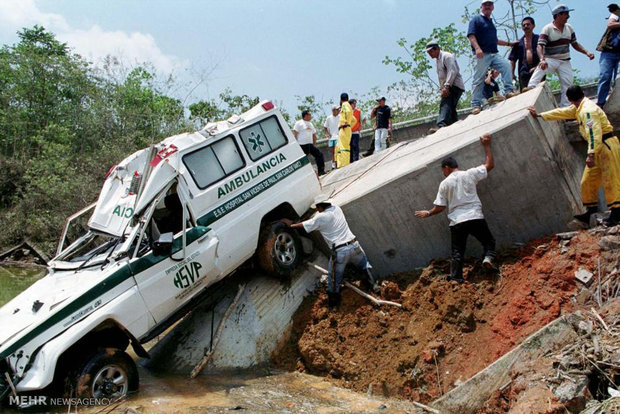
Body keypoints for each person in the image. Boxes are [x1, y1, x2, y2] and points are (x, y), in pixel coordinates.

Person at [528, 85, 620, 227]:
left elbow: (593, 134)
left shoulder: (587, 110)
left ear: (569, 99)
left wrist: (590, 154)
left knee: (611, 180)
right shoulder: (579, 107)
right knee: (587, 181)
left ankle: (616, 214)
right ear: (582, 94)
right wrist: (541, 115)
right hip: (597, 147)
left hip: (604, 146)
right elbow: (563, 112)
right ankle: (591, 211)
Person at [414, 134, 497, 283]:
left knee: (457, 252)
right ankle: (488, 258)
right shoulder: (469, 174)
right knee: (488, 242)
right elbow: (489, 165)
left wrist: (428, 213)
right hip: (475, 216)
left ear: (446, 168)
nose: (443, 173)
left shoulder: (445, 184)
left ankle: (456, 279)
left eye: (442, 170)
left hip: (457, 222)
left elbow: (440, 207)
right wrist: (487, 146)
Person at [283, 194, 379, 307]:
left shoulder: (320, 218)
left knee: (333, 280)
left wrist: (291, 225)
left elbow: (305, 225)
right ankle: (375, 289)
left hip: (341, 252)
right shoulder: (337, 209)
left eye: (317, 209)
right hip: (355, 246)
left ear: (319, 207)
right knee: (365, 267)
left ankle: (333, 304)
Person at [527, 4, 595, 107]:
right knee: (542, 67)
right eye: (566, 14)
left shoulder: (569, 28)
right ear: (558, 15)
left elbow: (575, 44)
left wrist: (586, 52)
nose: (568, 16)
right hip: (551, 59)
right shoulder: (548, 28)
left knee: (567, 85)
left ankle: (565, 108)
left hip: (565, 61)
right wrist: (542, 59)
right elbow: (540, 46)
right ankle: (531, 88)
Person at [468, 0, 518, 115]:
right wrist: (477, 48)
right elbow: (471, 35)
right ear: (481, 7)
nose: (487, 7)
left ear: (493, 7)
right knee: (478, 79)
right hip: (482, 54)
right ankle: (476, 104)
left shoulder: (490, 22)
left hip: (493, 54)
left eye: (490, 5)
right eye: (485, 5)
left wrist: (509, 44)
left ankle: (509, 91)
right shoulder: (476, 20)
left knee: (506, 66)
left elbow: (495, 40)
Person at [426, 41, 465, 132]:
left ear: (436, 49)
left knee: (445, 103)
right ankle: (454, 125)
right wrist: (443, 88)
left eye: (431, 52)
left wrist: (447, 86)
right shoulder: (437, 60)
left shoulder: (446, 56)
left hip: (454, 85)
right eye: (428, 53)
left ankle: (441, 124)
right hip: (448, 85)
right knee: (451, 107)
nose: (430, 54)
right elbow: (441, 76)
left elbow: (452, 71)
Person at [596, 3, 620, 108]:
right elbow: (610, 24)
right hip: (609, 51)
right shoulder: (616, 15)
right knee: (605, 76)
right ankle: (600, 103)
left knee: (618, 79)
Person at [509, 17, 542, 91]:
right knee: (525, 92)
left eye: (528, 24)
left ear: (533, 26)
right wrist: (512, 73)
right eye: (524, 25)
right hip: (524, 71)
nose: (526, 26)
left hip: (538, 69)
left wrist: (537, 67)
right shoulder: (518, 43)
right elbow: (512, 59)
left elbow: (545, 54)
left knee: (539, 91)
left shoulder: (539, 39)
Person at [293, 109, 325, 175]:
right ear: (305, 115)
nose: (310, 116)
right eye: (309, 114)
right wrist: (296, 145)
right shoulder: (299, 123)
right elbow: (295, 133)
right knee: (303, 160)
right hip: (302, 145)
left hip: (310, 145)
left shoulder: (310, 124)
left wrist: (314, 142)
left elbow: (314, 134)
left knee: (319, 155)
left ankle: (321, 171)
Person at [336, 93, 356, 169]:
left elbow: (347, 112)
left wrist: (345, 123)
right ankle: (342, 163)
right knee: (342, 146)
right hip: (347, 129)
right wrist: (349, 126)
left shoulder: (344, 105)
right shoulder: (349, 106)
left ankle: (343, 164)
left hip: (344, 128)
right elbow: (354, 120)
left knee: (342, 146)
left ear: (341, 99)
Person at [323, 105, 340, 170]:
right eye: (336, 109)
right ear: (333, 110)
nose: (338, 110)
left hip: (338, 136)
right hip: (331, 137)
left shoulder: (340, 117)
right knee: (332, 151)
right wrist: (327, 134)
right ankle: (333, 165)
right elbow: (325, 127)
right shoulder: (329, 118)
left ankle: (338, 162)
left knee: (337, 150)